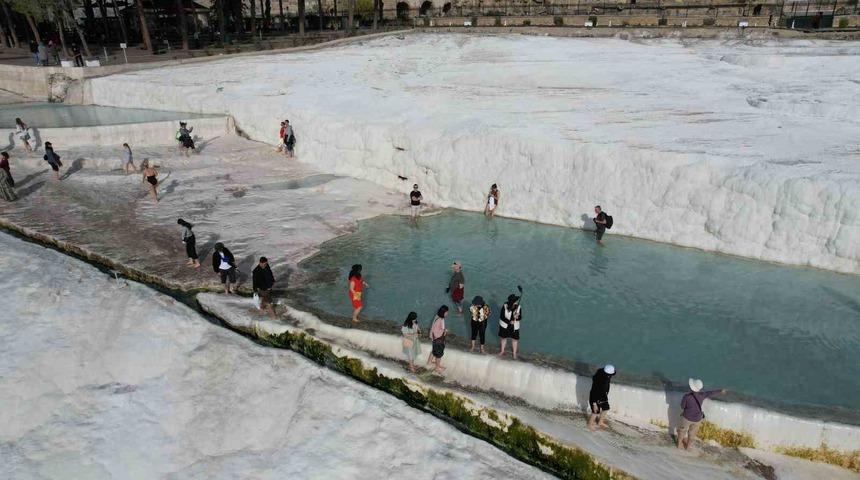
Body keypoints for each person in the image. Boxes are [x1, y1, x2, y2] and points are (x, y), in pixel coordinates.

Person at [677, 379, 727, 450]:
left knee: (682, 431)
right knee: (692, 433)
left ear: (691, 387)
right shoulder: (702, 395)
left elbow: (682, 406)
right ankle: (688, 447)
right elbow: (710, 393)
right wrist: (721, 390)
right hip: (697, 419)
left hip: (687, 418)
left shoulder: (687, 396)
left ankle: (679, 445)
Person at [588, 364, 616, 432]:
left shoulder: (602, 372)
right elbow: (594, 391)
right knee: (595, 412)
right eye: (611, 375)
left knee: (606, 408)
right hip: (595, 397)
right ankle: (590, 424)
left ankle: (600, 422)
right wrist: (594, 404)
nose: (611, 376)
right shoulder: (599, 381)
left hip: (603, 395)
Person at [497, 294, 521, 359]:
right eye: (515, 300)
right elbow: (502, 316)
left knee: (515, 340)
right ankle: (502, 351)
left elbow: (520, 317)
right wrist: (509, 322)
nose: (517, 301)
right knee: (503, 338)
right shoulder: (505, 306)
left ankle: (514, 354)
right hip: (504, 325)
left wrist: (517, 316)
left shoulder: (518, 306)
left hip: (514, 326)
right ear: (512, 302)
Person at [427, 305, 449, 374]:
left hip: (434, 338)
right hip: (438, 339)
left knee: (434, 350)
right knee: (438, 354)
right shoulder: (441, 320)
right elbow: (439, 331)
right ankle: (437, 367)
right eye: (447, 312)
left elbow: (434, 328)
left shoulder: (437, 316)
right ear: (444, 312)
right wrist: (445, 331)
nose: (447, 313)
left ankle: (429, 362)